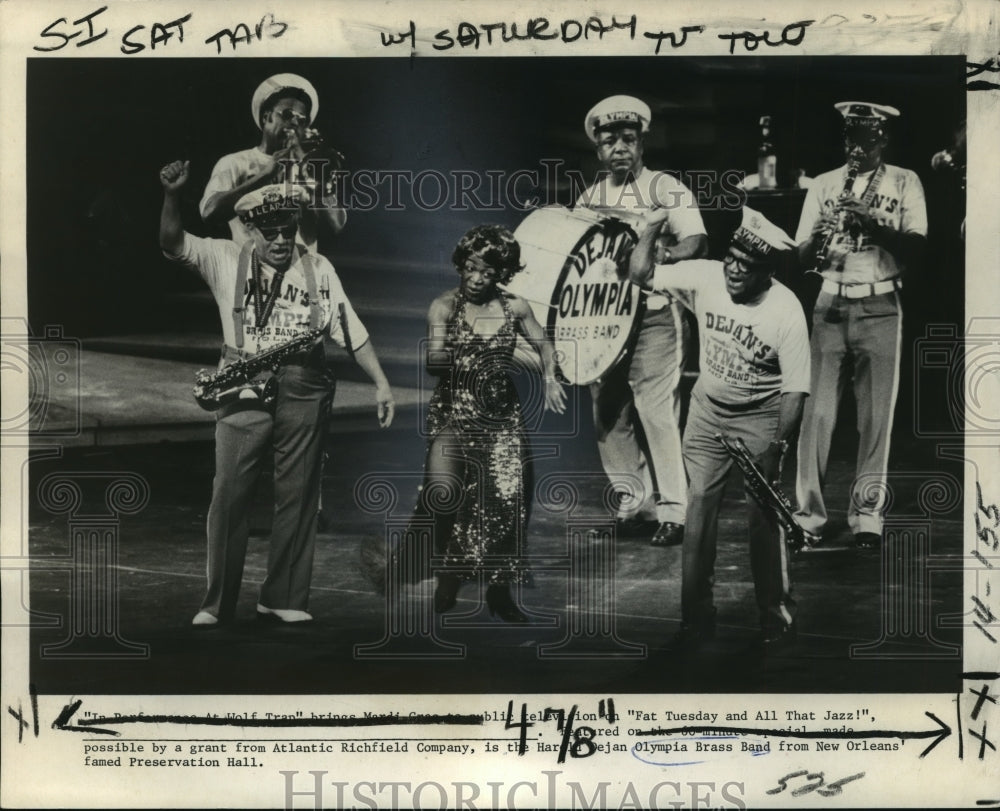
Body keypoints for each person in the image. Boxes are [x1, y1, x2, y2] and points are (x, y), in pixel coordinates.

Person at [158, 160, 394, 626]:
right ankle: (216, 603)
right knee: (230, 493)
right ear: (250, 229)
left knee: (300, 492)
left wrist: (382, 382)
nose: (283, 241)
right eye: (272, 232)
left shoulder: (319, 267)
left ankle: (283, 596)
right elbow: (172, 242)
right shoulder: (226, 258)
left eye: (289, 230)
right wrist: (171, 197)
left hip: (306, 384)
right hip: (243, 382)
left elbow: (352, 331)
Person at [630, 206, 811, 654]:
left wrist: (778, 445)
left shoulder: (786, 311)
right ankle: (696, 617)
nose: (734, 270)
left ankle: (775, 615)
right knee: (699, 515)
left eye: (746, 267)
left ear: (766, 273)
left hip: (761, 415)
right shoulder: (708, 275)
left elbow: (795, 391)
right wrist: (652, 228)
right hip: (708, 412)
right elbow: (639, 274)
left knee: (763, 521)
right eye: (731, 258)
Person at [394, 225, 566, 622]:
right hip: (454, 412)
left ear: (500, 274)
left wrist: (549, 377)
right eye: (470, 268)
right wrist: (449, 350)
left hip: (501, 417)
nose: (475, 279)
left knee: (508, 499)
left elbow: (544, 344)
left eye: (486, 273)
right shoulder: (443, 306)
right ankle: (449, 579)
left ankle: (500, 592)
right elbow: (433, 363)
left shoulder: (515, 307)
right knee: (445, 493)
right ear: (461, 265)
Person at [793, 102, 927, 549]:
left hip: (881, 302)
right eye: (850, 139)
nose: (856, 149)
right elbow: (798, 256)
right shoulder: (825, 183)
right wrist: (820, 233)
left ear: (883, 140)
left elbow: (919, 249)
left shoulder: (905, 180)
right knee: (817, 416)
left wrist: (870, 220)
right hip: (830, 301)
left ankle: (867, 515)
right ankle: (808, 515)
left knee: (875, 418)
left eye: (866, 141)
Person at [577, 95, 708, 546]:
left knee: (656, 412)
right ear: (598, 149)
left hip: (654, 314)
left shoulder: (665, 187)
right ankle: (635, 506)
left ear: (641, 144)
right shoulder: (591, 196)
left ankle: (675, 511)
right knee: (608, 415)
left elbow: (696, 241)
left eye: (628, 140)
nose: (620, 149)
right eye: (610, 141)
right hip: (605, 320)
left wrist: (657, 255)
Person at [200, 72, 346, 251]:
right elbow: (209, 213)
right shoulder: (234, 162)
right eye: (287, 115)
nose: (294, 123)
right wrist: (264, 175)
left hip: (303, 275)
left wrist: (314, 172)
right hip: (252, 271)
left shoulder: (311, 167)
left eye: (302, 120)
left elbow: (337, 224)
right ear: (266, 118)